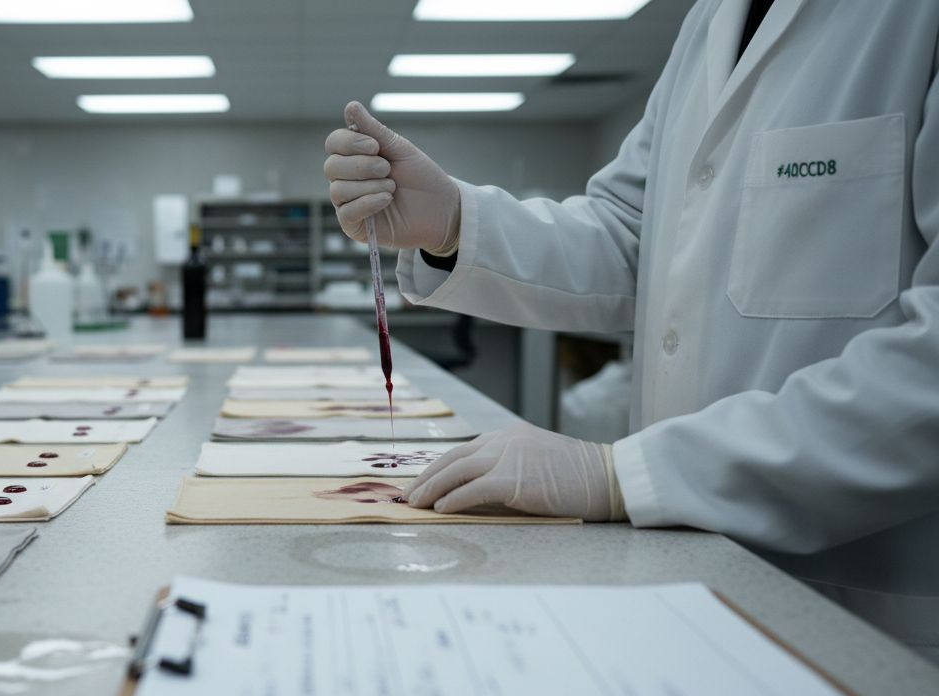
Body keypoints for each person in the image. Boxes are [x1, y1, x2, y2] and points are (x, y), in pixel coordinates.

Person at [324, 0, 939, 662]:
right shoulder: (711, 18)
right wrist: (452, 221)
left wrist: (626, 474)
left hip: (868, 599)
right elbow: (634, 235)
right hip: (681, 564)